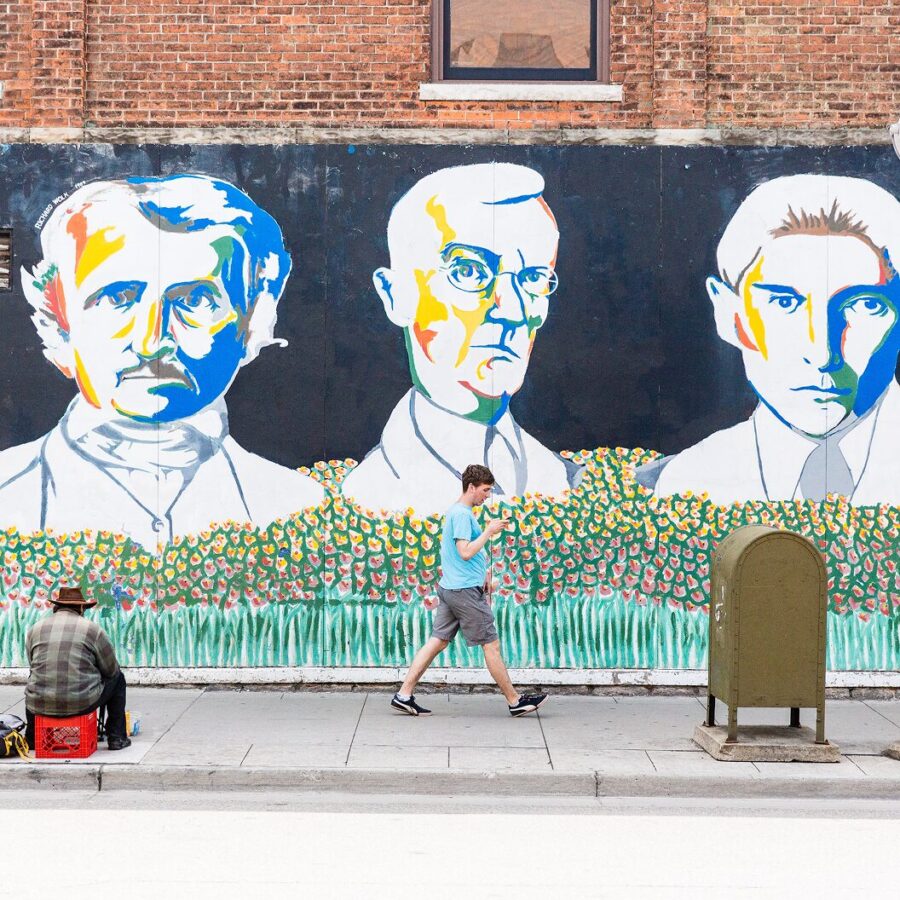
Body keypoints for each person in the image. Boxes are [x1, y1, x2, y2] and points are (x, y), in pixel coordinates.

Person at [0, 174, 323, 549]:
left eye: (195, 300)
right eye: (118, 297)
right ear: (58, 322)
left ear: (254, 322)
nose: (153, 340)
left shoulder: (301, 510)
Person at [637, 174, 900, 506]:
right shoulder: (670, 486)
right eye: (784, 303)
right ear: (729, 316)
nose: (822, 353)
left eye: (865, 305)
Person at [342, 162, 582, 517]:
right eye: (468, 271)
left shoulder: (564, 479)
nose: (513, 310)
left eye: (533, 278)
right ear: (396, 296)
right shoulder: (368, 494)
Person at [390, 464, 548, 718]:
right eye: (485, 490)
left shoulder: (458, 512)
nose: (487, 495)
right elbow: (464, 552)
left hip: (453, 588)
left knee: (437, 641)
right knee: (491, 645)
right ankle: (515, 701)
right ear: (471, 487)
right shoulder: (462, 515)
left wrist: (482, 575)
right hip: (464, 593)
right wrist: (489, 531)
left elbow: (460, 555)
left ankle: (404, 695)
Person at [25, 586, 130, 751]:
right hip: (81, 703)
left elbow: (33, 666)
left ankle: (31, 739)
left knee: (34, 680)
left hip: (40, 704)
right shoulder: (92, 630)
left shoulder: (35, 629)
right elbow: (111, 671)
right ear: (81, 608)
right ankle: (116, 737)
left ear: (56, 607)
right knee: (118, 679)